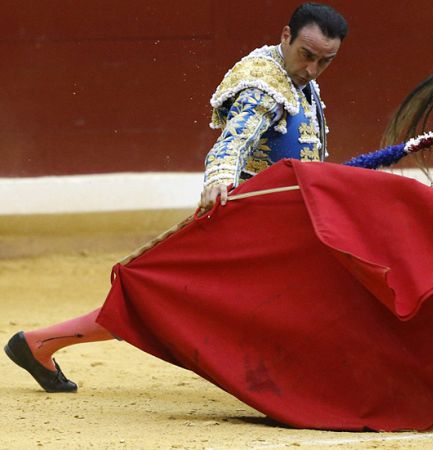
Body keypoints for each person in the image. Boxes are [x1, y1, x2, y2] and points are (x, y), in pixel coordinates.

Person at [4, 2, 348, 393]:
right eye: (307, 56)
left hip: (279, 227)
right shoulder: (263, 88)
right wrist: (219, 180)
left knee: (184, 303)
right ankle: (39, 343)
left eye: (325, 61)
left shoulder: (297, 82)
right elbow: (232, 144)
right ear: (285, 36)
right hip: (248, 227)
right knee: (164, 303)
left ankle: (38, 343)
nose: (313, 69)